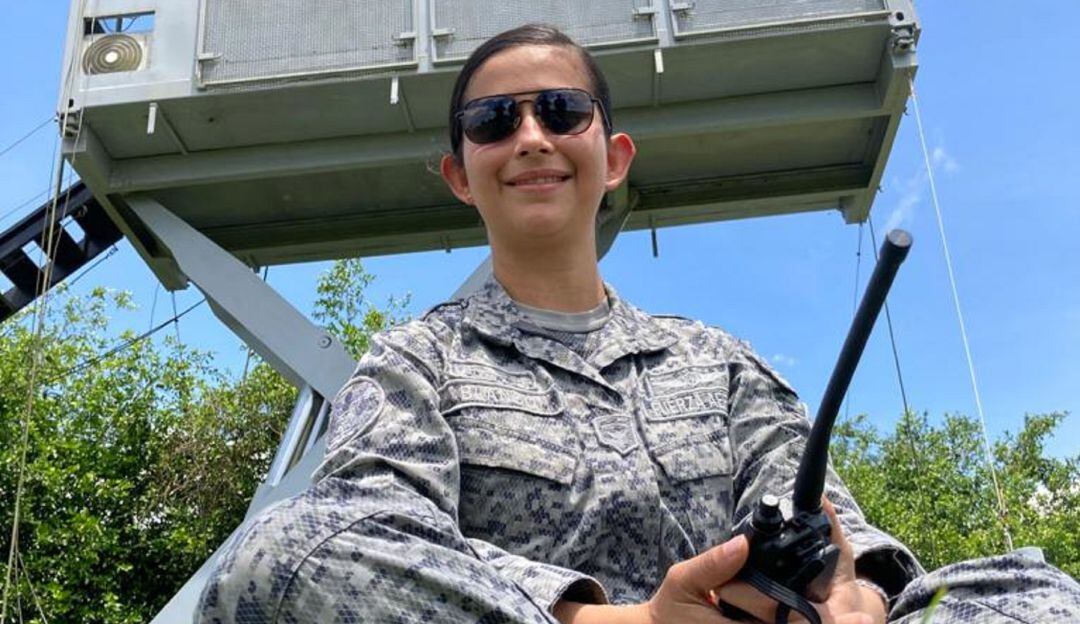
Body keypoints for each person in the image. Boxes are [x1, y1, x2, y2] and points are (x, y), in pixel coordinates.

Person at [197, 24, 1080, 624]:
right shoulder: (416, 362)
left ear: (612, 156)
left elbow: (820, 513)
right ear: (461, 174)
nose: (533, 137)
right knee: (274, 553)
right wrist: (619, 619)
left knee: (1036, 593)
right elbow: (359, 535)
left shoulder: (717, 361)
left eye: (562, 111)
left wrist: (847, 586)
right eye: (494, 120)